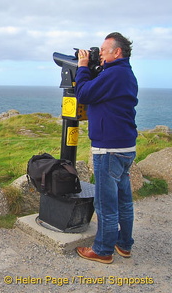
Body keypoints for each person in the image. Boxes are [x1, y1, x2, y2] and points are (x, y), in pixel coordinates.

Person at [75, 32, 138, 264]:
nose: (99, 54)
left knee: (106, 204)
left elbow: (83, 93)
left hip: (108, 148)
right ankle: (124, 244)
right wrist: (96, 68)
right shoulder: (124, 73)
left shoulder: (114, 73)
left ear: (117, 52)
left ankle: (102, 250)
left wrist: (82, 66)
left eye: (103, 50)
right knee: (123, 201)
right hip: (125, 146)